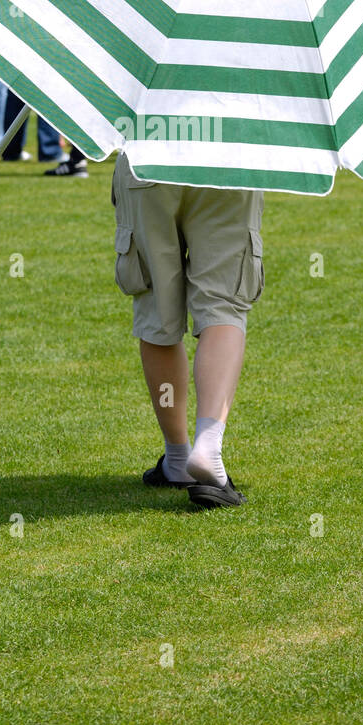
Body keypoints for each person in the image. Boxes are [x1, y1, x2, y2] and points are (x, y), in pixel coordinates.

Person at [112, 150, 264, 509]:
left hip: (148, 153)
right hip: (228, 158)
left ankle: (179, 456)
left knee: (157, 311)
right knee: (224, 305)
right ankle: (207, 447)